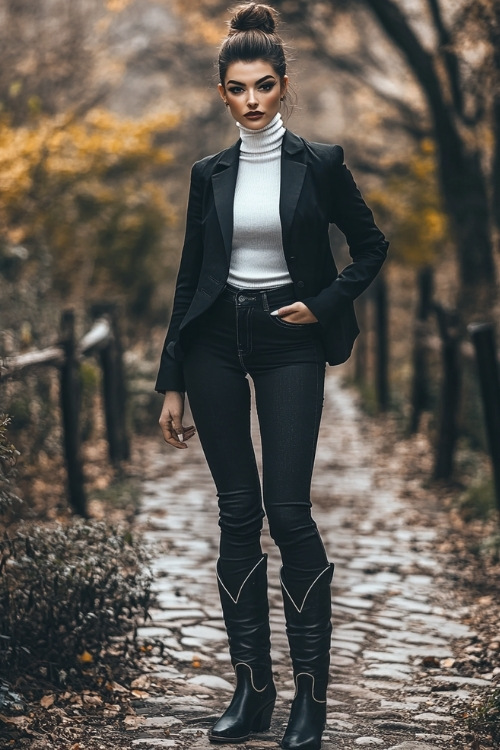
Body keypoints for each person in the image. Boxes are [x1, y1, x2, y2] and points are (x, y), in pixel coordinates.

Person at [156, 4, 388, 749]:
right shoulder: (208, 173)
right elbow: (191, 276)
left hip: (290, 342)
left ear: (284, 86)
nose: (251, 100)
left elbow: (370, 246)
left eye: (263, 86)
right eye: (236, 88)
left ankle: (309, 703)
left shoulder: (320, 164)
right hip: (215, 342)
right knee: (235, 514)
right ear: (221, 95)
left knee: (288, 514)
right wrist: (172, 379)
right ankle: (253, 692)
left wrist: (321, 307)